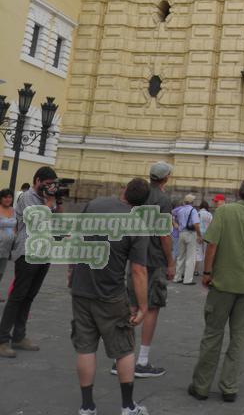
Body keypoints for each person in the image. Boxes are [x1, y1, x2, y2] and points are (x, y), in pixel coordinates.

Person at [188, 177, 244, 403]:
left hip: (222, 284)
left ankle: (201, 386)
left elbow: (212, 244)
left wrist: (207, 273)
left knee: (212, 335)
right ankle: (229, 387)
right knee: (239, 338)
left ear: (238, 192)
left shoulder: (224, 213)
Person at [70, 177, 151, 415]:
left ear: (124, 190)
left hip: (82, 289)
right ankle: (128, 406)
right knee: (124, 349)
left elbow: (76, 239)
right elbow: (138, 270)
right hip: (111, 295)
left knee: (85, 348)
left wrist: (71, 270)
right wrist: (143, 307)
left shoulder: (93, 205)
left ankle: (87, 407)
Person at [0, 166, 62, 358]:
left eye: (53, 185)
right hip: (27, 252)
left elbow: (58, 222)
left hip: (44, 252)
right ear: (37, 181)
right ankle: (2, 340)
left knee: (29, 296)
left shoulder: (48, 199)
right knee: (18, 296)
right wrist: (50, 202)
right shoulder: (27, 197)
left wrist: (57, 202)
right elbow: (37, 221)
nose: (50, 188)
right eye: (47, 185)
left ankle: (19, 336)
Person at [128, 161, 174, 378]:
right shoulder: (163, 200)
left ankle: (121, 357)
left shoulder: (137, 194)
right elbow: (165, 236)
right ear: (166, 178)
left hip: (135, 257)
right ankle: (142, 360)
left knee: (132, 306)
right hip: (154, 260)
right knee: (152, 307)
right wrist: (171, 262)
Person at [173, 194, 200, 285]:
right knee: (190, 257)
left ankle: (177, 277)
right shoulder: (193, 210)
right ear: (192, 202)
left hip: (181, 233)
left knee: (180, 256)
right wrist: (199, 235)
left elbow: (174, 218)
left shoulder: (180, 210)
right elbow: (196, 224)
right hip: (190, 234)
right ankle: (188, 279)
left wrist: (177, 226)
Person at [0, 189, 16, 303]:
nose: (7, 199)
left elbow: (16, 227)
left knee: (1, 271)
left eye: (10, 197)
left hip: (6, 247)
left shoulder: (13, 210)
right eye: (5, 197)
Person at [194, 201, 212, 277]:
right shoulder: (209, 214)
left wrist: (199, 235)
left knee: (198, 252)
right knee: (206, 253)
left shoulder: (197, 213)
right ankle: (206, 270)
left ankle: (196, 270)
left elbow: (195, 224)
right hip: (207, 235)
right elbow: (212, 225)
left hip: (198, 234)